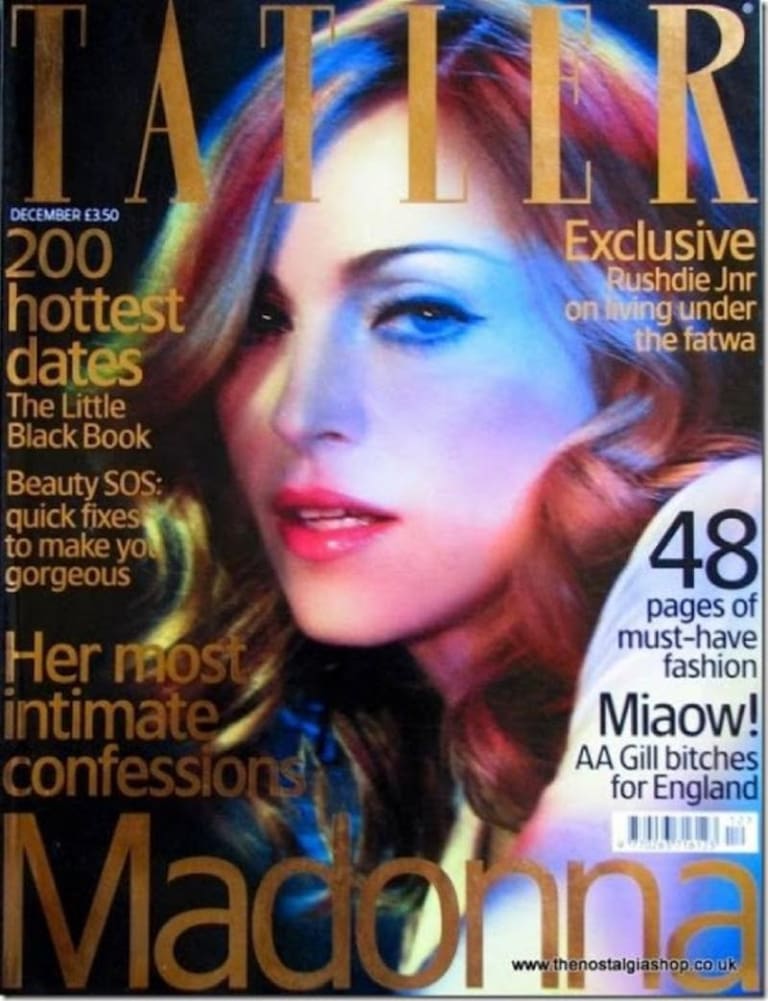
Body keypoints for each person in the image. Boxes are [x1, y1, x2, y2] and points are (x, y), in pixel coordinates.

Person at [121, 0, 761, 992]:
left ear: (628, 352)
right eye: (260, 319)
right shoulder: (473, 776)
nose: (301, 410)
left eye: (420, 310)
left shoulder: (733, 539)